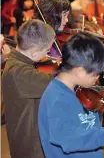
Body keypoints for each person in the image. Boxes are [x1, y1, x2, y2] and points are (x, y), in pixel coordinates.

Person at [1, 19, 55, 158]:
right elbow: (57, 85)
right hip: (31, 150)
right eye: (47, 50)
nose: (47, 54)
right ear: (35, 51)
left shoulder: (17, 64)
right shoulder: (19, 72)